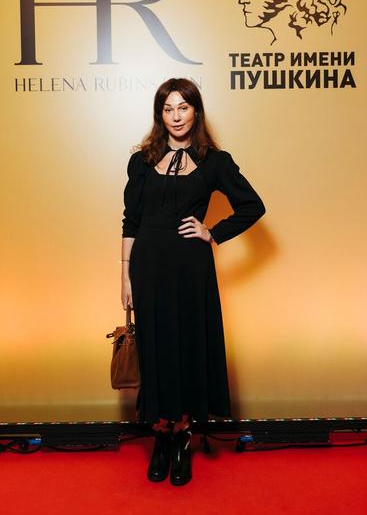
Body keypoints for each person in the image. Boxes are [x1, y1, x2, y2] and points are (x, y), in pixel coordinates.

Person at [120, 78, 266, 485]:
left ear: (196, 111)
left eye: (183, 107)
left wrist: (212, 232)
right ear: (159, 115)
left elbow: (252, 206)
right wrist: (125, 277)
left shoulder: (214, 161)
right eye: (168, 109)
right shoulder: (141, 161)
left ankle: (182, 434)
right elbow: (130, 221)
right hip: (148, 269)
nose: (176, 116)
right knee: (156, 348)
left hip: (190, 270)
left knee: (187, 347)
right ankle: (161, 435)